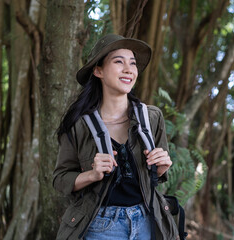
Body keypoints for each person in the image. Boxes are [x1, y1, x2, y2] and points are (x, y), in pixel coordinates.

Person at [53, 34, 179, 240]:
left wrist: (162, 167)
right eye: (119, 62)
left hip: (147, 222)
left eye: (133, 63)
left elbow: (156, 176)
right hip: (99, 226)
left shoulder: (151, 117)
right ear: (98, 70)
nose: (129, 69)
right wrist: (92, 175)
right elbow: (60, 179)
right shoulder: (79, 124)